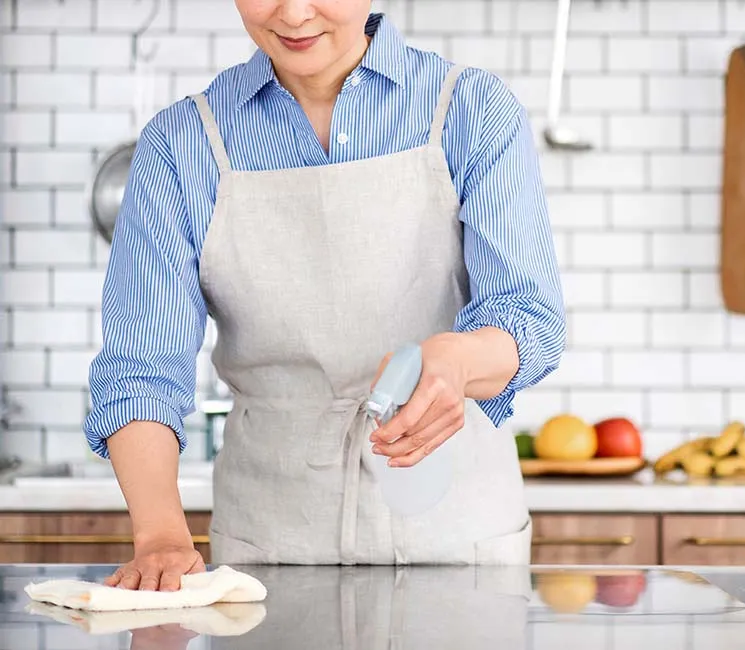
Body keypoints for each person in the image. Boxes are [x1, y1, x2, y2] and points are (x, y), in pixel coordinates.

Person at [85, 1, 565, 591]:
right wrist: (160, 534)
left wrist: (458, 363)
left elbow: (528, 319)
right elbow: (141, 369)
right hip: (272, 544)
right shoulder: (181, 145)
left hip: (457, 536)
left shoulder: (471, 110)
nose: (292, 12)